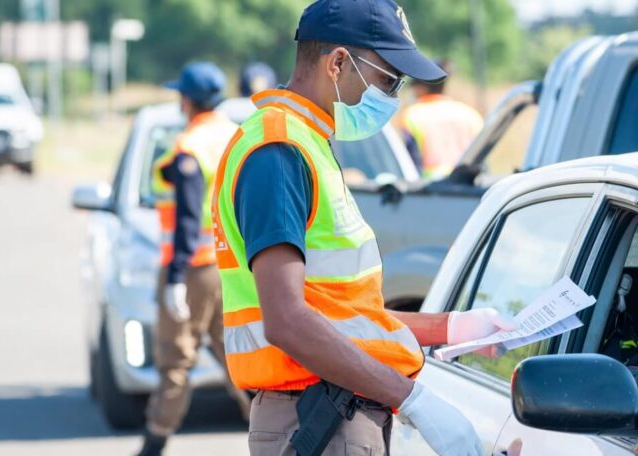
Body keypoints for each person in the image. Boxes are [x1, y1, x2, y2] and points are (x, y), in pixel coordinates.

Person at [212, 1, 516, 455]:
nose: (393, 98)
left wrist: (451, 328)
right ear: (337, 63)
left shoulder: (307, 142)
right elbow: (288, 322)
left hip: (331, 413)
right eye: (389, 80)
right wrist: (415, 401)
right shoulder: (278, 152)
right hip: (317, 419)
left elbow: (340, 318)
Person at [136, 62, 251, 456]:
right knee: (237, 354)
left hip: (195, 266)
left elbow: (186, 219)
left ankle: (155, 440)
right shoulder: (236, 136)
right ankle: (281, 436)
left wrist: (174, 277)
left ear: (185, 100)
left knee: (176, 357)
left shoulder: (190, 146)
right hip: (233, 266)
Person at [399, 59, 484, 178]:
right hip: (467, 187)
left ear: (421, 86)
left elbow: (412, 161)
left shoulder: (412, 116)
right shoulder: (470, 115)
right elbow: (482, 160)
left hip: (430, 189)